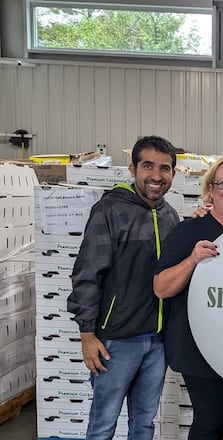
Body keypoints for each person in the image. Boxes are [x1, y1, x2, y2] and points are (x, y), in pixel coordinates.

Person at [68, 135, 180, 440]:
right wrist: (87, 335)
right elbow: (87, 274)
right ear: (132, 169)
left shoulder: (170, 217)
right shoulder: (110, 211)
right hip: (115, 343)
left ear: (173, 174)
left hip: (157, 343)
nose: (156, 176)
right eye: (148, 166)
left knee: (144, 425)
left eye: (165, 168)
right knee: (103, 425)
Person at [153, 157, 223, 439]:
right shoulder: (189, 232)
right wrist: (192, 259)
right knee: (209, 421)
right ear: (211, 189)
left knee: (221, 418)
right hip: (198, 348)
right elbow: (161, 287)